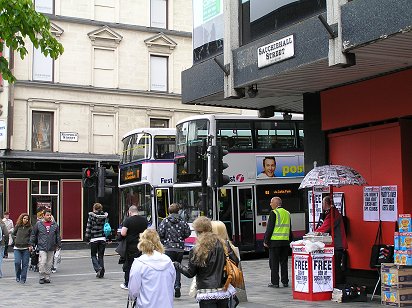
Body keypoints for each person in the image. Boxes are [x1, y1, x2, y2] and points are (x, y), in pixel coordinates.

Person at [174, 216, 234, 308]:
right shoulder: (223, 244)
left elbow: (190, 273)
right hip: (223, 289)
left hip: (206, 291)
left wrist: (177, 265)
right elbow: (234, 260)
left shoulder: (197, 249)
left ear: (198, 231)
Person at [128, 229, 176, 308]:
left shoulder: (140, 262)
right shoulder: (168, 261)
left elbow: (133, 290)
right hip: (166, 304)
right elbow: (172, 283)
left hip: (146, 304)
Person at [158, 203, 191, 298]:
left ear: (169, 211)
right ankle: (177, 286)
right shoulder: (182, 221)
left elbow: (160, 233)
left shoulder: (165, 221)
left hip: (168, 247)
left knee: (168, 268)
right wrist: (181, 238)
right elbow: (188, 232)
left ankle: (169, 287)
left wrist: (165, 240)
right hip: (179, 248)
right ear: (178, 211)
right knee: (177, 267)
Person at [315, 196, 348, 285]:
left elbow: (325, 227)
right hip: (337, 243)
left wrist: (314, 233)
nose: (322, 205)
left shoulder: (332, 214)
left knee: (336, 267)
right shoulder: (332, 213)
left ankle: (338, 285)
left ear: (325, 203)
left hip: (337, 245)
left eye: (322, 203)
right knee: (336, 267)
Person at [264, 196, 292, 288]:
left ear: (276, 203)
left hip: (275, 242)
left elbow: (270, 228)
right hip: (285, 242)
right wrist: (290, 240)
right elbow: (289, 228)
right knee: (284, 263)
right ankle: (285, 281)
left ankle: (275, 282)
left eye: (271, 202)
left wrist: (266, 241)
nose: (270, 204)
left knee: (274, 263)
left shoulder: (274, 213)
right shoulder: (287, 213)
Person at [211, 221, 240, 308]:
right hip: (227, 285)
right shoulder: (229, 245)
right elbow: (236, 262)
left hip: (213, 287)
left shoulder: (211, 246)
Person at [30, 208, 61, 284]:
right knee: (42, 261)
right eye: (47, 215)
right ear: (43, 216)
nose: (49, 216)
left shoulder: (55, 225)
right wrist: (31, 244)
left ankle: (47, 277)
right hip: (42, 246)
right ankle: (41, 276)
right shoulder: (39, 224)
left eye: (50, 215)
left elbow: (57, 236)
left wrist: (58, 245)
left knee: (49, 263)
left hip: (51, 246)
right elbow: (34, 234)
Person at [120, 205, 148, 290]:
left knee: (129, 265)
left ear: (130, 212)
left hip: (131, 245)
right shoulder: (144, 220)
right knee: (141, 264)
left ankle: (128, 283)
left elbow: (123, 233)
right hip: (141, 244)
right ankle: (141, 282)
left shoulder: (128, 220)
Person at [85, 203, 108, 278]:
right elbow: (107, 227)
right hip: (102, 238)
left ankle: (98, 268)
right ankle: (101, 273)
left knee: (93, 255)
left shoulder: (91, 216)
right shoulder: (105, 216)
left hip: (94, 238)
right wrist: (109, 238)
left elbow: (89, 227)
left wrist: (87, 238)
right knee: (101, 256)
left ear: (94, 208)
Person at [12, 213, 33, 283]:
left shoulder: (30, 227)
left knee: (25, 264)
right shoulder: (18, 226)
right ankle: (18, 276)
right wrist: (15, 240)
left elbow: (31, 237)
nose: (26, 220)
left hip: (26, 248)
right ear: (21, 218)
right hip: (17, 248)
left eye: (27, 219)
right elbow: (13, 234)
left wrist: (30, 245)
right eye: (24, 218)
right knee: (17, 263)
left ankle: (23, 279)